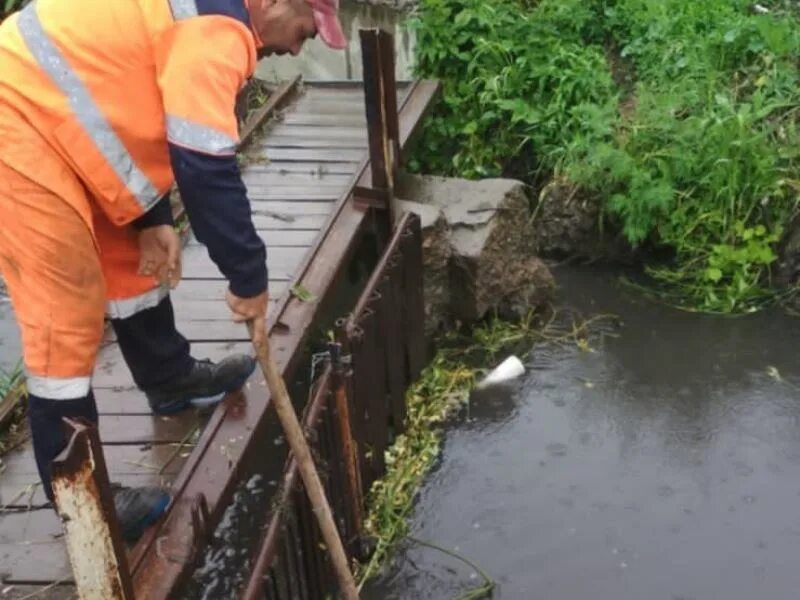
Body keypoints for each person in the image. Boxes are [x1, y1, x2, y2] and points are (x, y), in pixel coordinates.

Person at [0, 0, 347, 543]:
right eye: (302, 32)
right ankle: (81, 500)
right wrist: (248, 279)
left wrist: (152, 217)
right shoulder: (217, 33)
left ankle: (169, 378)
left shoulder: (205, 14)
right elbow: (206, 168)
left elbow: (126, 103)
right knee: (63, 317)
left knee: (135, 264)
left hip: (60, 120)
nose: (294, 50)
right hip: (16, 121)